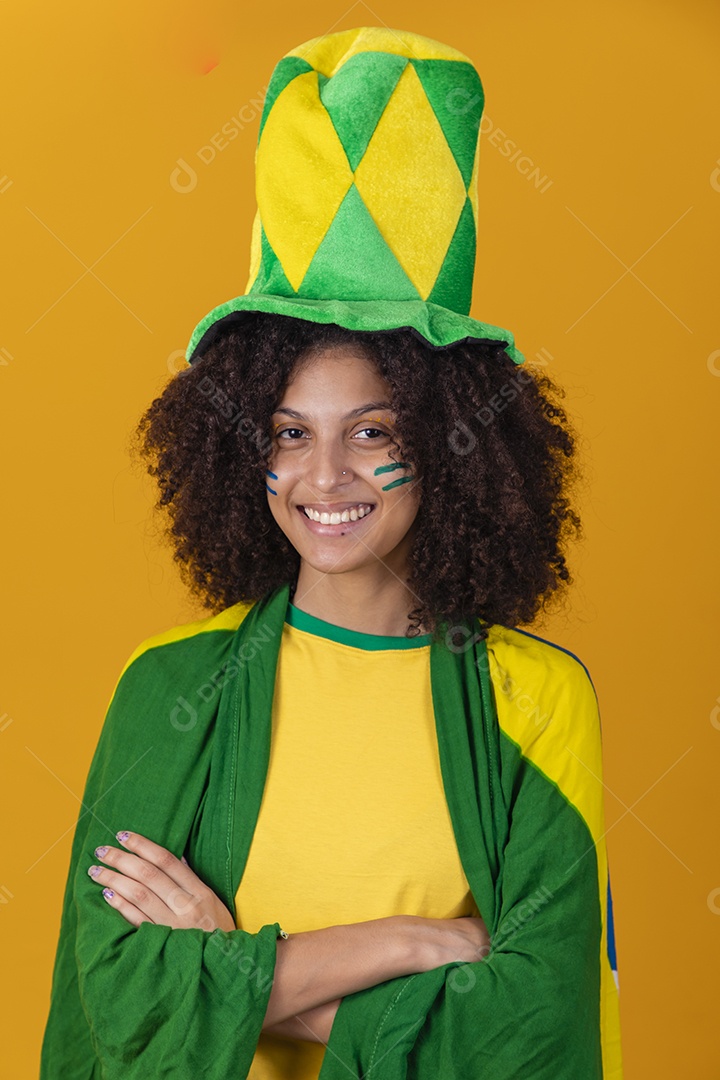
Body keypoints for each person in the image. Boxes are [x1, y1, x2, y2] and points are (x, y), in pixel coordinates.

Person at [39, 25, 623, 1080]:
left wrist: (228, 974)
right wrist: (420, 947)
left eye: (374, 433)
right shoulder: (171, 688)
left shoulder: (534, 701)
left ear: (454, 448)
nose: (324, 478)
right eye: (289, 433)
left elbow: (530, 1025)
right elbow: (116, 998)